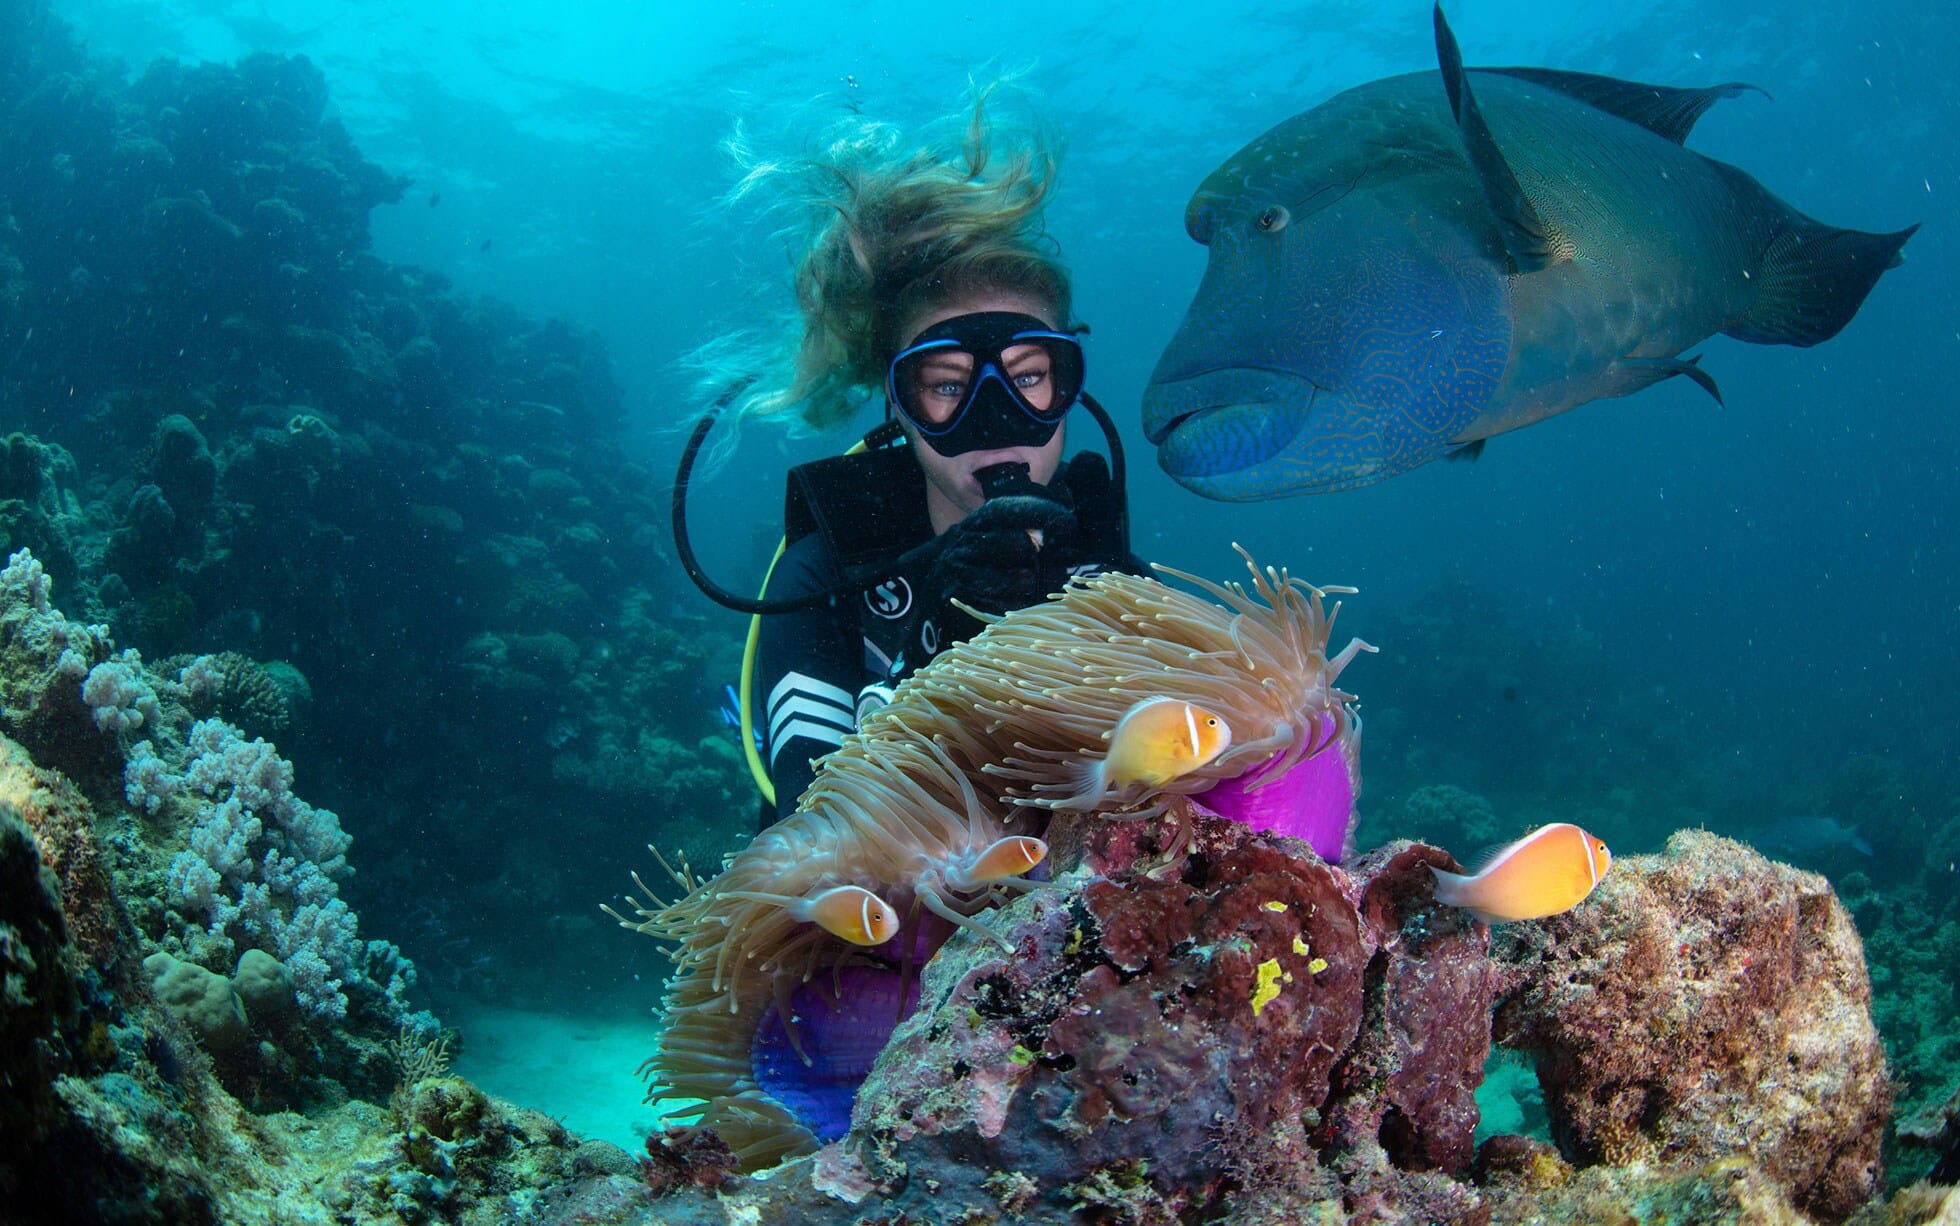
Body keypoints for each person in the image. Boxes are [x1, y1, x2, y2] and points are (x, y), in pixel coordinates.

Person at [700, 90, 1141, 825]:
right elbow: (820, 833)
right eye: (947, 386)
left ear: (1066, 386)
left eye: (1028, 376)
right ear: (898, 405)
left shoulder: (1098, 556)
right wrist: (936, 647)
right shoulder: (827, 576)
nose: (997, 423)